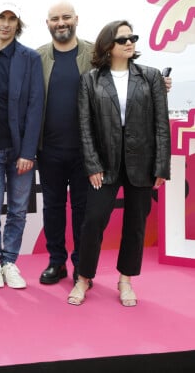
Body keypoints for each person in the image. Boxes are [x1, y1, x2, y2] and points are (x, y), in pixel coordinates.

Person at [67, 20, 171, 306]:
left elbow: (161, 124)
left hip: (143, 162)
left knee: (136, 224)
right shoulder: (91, 79)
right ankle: (83, 278)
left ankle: (125, 280)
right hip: (105, 162)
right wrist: (92, 164)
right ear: (108, 45)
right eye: (122, 38)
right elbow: (85, 126)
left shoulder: (150, 77)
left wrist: (161, 166)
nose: (129, 42)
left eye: (132, 37)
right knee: (93, 221)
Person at [0, 3, 44, 289]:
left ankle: (9, 261)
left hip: (19, 151)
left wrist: (28, 151)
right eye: (1, 18)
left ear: (18, 23)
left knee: (17, 209)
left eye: (11, 18)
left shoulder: (30, 58)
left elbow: (35, 104)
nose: (5, 23)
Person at [36, 1, 95, 286]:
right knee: (53, 207)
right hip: (49, 150)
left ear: (77, 19)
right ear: (47, 23)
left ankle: (81, 266)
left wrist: (158, 80)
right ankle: (56, 262)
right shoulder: (38, 58)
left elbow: (125, 75)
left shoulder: (96, 53)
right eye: (55, 18)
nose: (61, 23)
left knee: (83, 210)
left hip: (86, 151)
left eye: (66, 17)